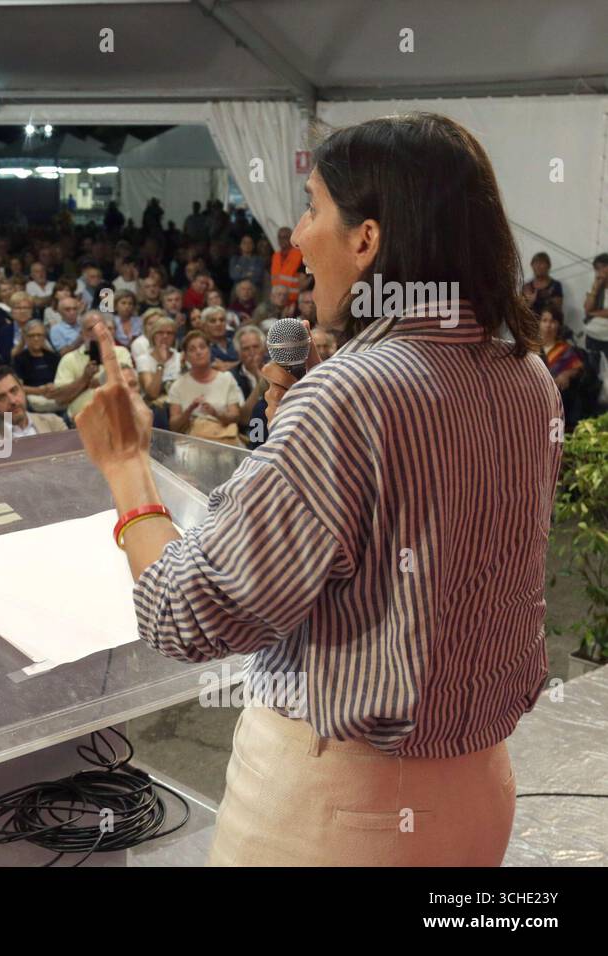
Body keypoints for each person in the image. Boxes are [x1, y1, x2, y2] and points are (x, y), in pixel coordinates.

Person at [75, 112, 561, 867]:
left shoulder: (350, 394)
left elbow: (187, 615)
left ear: (367, 239)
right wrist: (303, 437)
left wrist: (128, 468)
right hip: (480, 789)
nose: (297, 237)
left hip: (341, 815)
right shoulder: (527, 375)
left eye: (310, 207)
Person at [163, 330, 243, 444]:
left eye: (202, 347)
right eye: (192, 349)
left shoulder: (226, 379)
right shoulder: (178, 386)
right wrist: (189, 410)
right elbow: (174, 427)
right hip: (191, 441)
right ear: (185, 357)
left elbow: (236, 416)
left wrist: (216, 413)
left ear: (209, 350)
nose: (199, 352)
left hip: (224, 438)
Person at [53, 310, 134, 420]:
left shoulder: (120, 353)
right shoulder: (69, 359)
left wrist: (99, 380)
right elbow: (60, 399)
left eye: (100, 327)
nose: (96, 333)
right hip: (81, 421)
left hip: (117, 418)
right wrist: (84, 379)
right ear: (82, 333)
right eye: (90, 329)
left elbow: (129, 385)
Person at [0, 367, 68, 444]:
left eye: (14, 391)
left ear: (23, 391)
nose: (12, 401)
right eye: (1, 397)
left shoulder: (54, 423)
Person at [268, 226, 304, 308]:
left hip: (293, 301)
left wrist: (296, 303)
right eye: (280, 237)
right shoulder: (275, 256)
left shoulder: (300, 255)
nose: (282, 240)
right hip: (276, 301)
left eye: (285, 237)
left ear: (291, 238)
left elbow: (305, 281)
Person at [521, 252, 563, 319]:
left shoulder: (555, 285)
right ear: (532, 266)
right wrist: (529, 303)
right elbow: (521, 311)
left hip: (549, 325)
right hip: (531, 325)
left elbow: (558, 308)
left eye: (541, 263)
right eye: (535, 263)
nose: (538, 266)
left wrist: (542, 297)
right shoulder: (526, 287)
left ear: (548, 266)